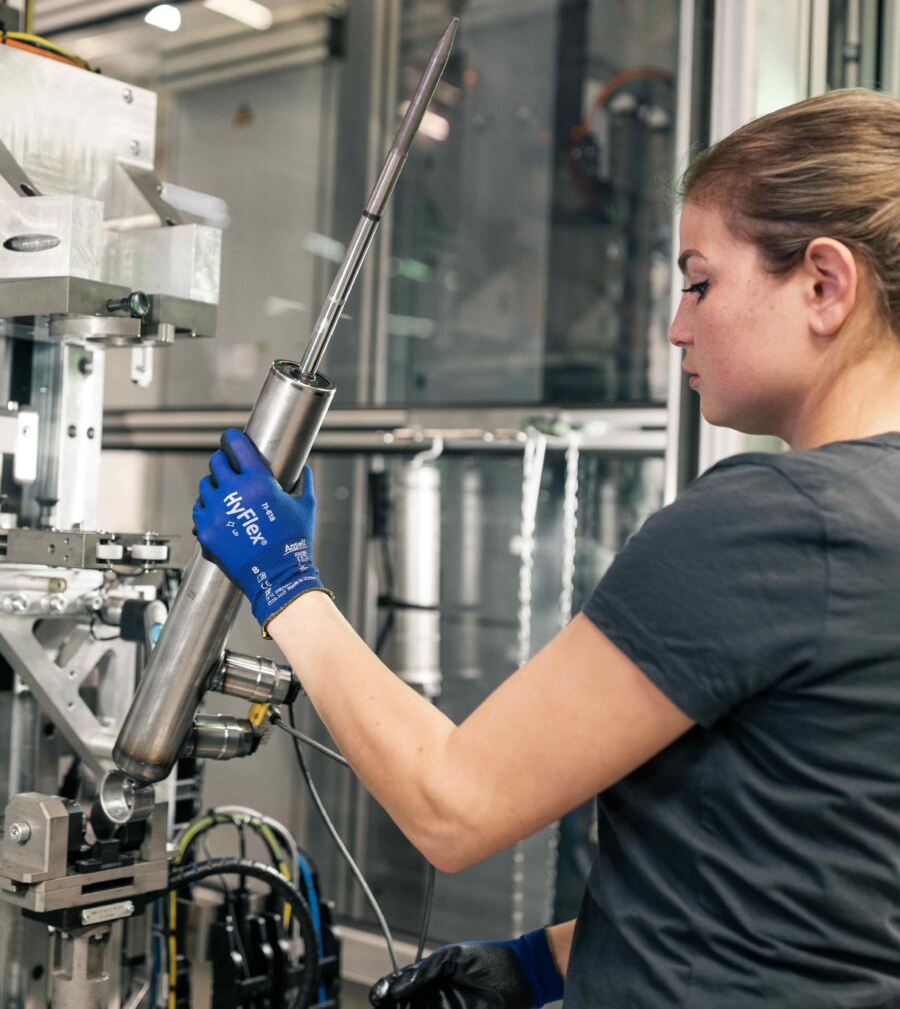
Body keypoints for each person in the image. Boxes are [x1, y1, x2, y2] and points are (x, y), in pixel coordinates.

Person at [193, 88, 900, 1007]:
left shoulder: (772, 523)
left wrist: (283, 580)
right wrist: (547, 960)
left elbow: (454, 805)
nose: (678, 325)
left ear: (823, 284)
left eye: (699, 281)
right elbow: (820, 875)